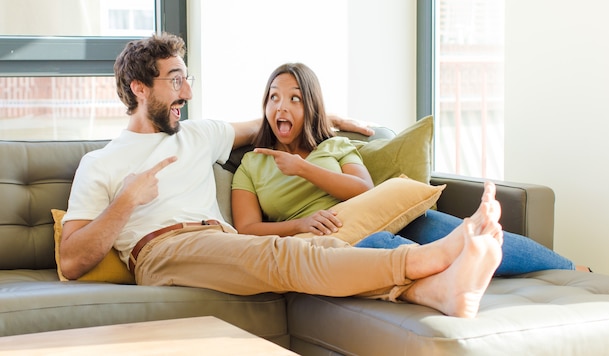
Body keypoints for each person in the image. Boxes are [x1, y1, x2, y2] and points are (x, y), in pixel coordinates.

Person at [59, 32, 504, 319]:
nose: (188, 92)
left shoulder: (200, 134)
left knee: (320, 247)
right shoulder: (102, 163)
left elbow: (267, 123)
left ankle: (436, 293)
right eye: (176, 81)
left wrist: (321, 114)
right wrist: (127, 202)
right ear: (140, 88)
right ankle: (433, 258)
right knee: (283, 253)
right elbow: (72, 260)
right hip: (163, 249)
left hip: (224, 241)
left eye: (187, 79)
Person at [231, 62, 585, 275]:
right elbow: (246, 228)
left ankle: (570, 270)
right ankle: (447, 267)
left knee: (465, 232)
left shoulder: (334, 145)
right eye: (274, 97)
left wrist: (304, 169)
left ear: (310, 107)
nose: (282, 106)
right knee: (379, 246)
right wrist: (300, 224)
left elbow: (364, 191)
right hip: (336, 240)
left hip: (382, 214)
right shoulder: (251, 164)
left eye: (295, 98)